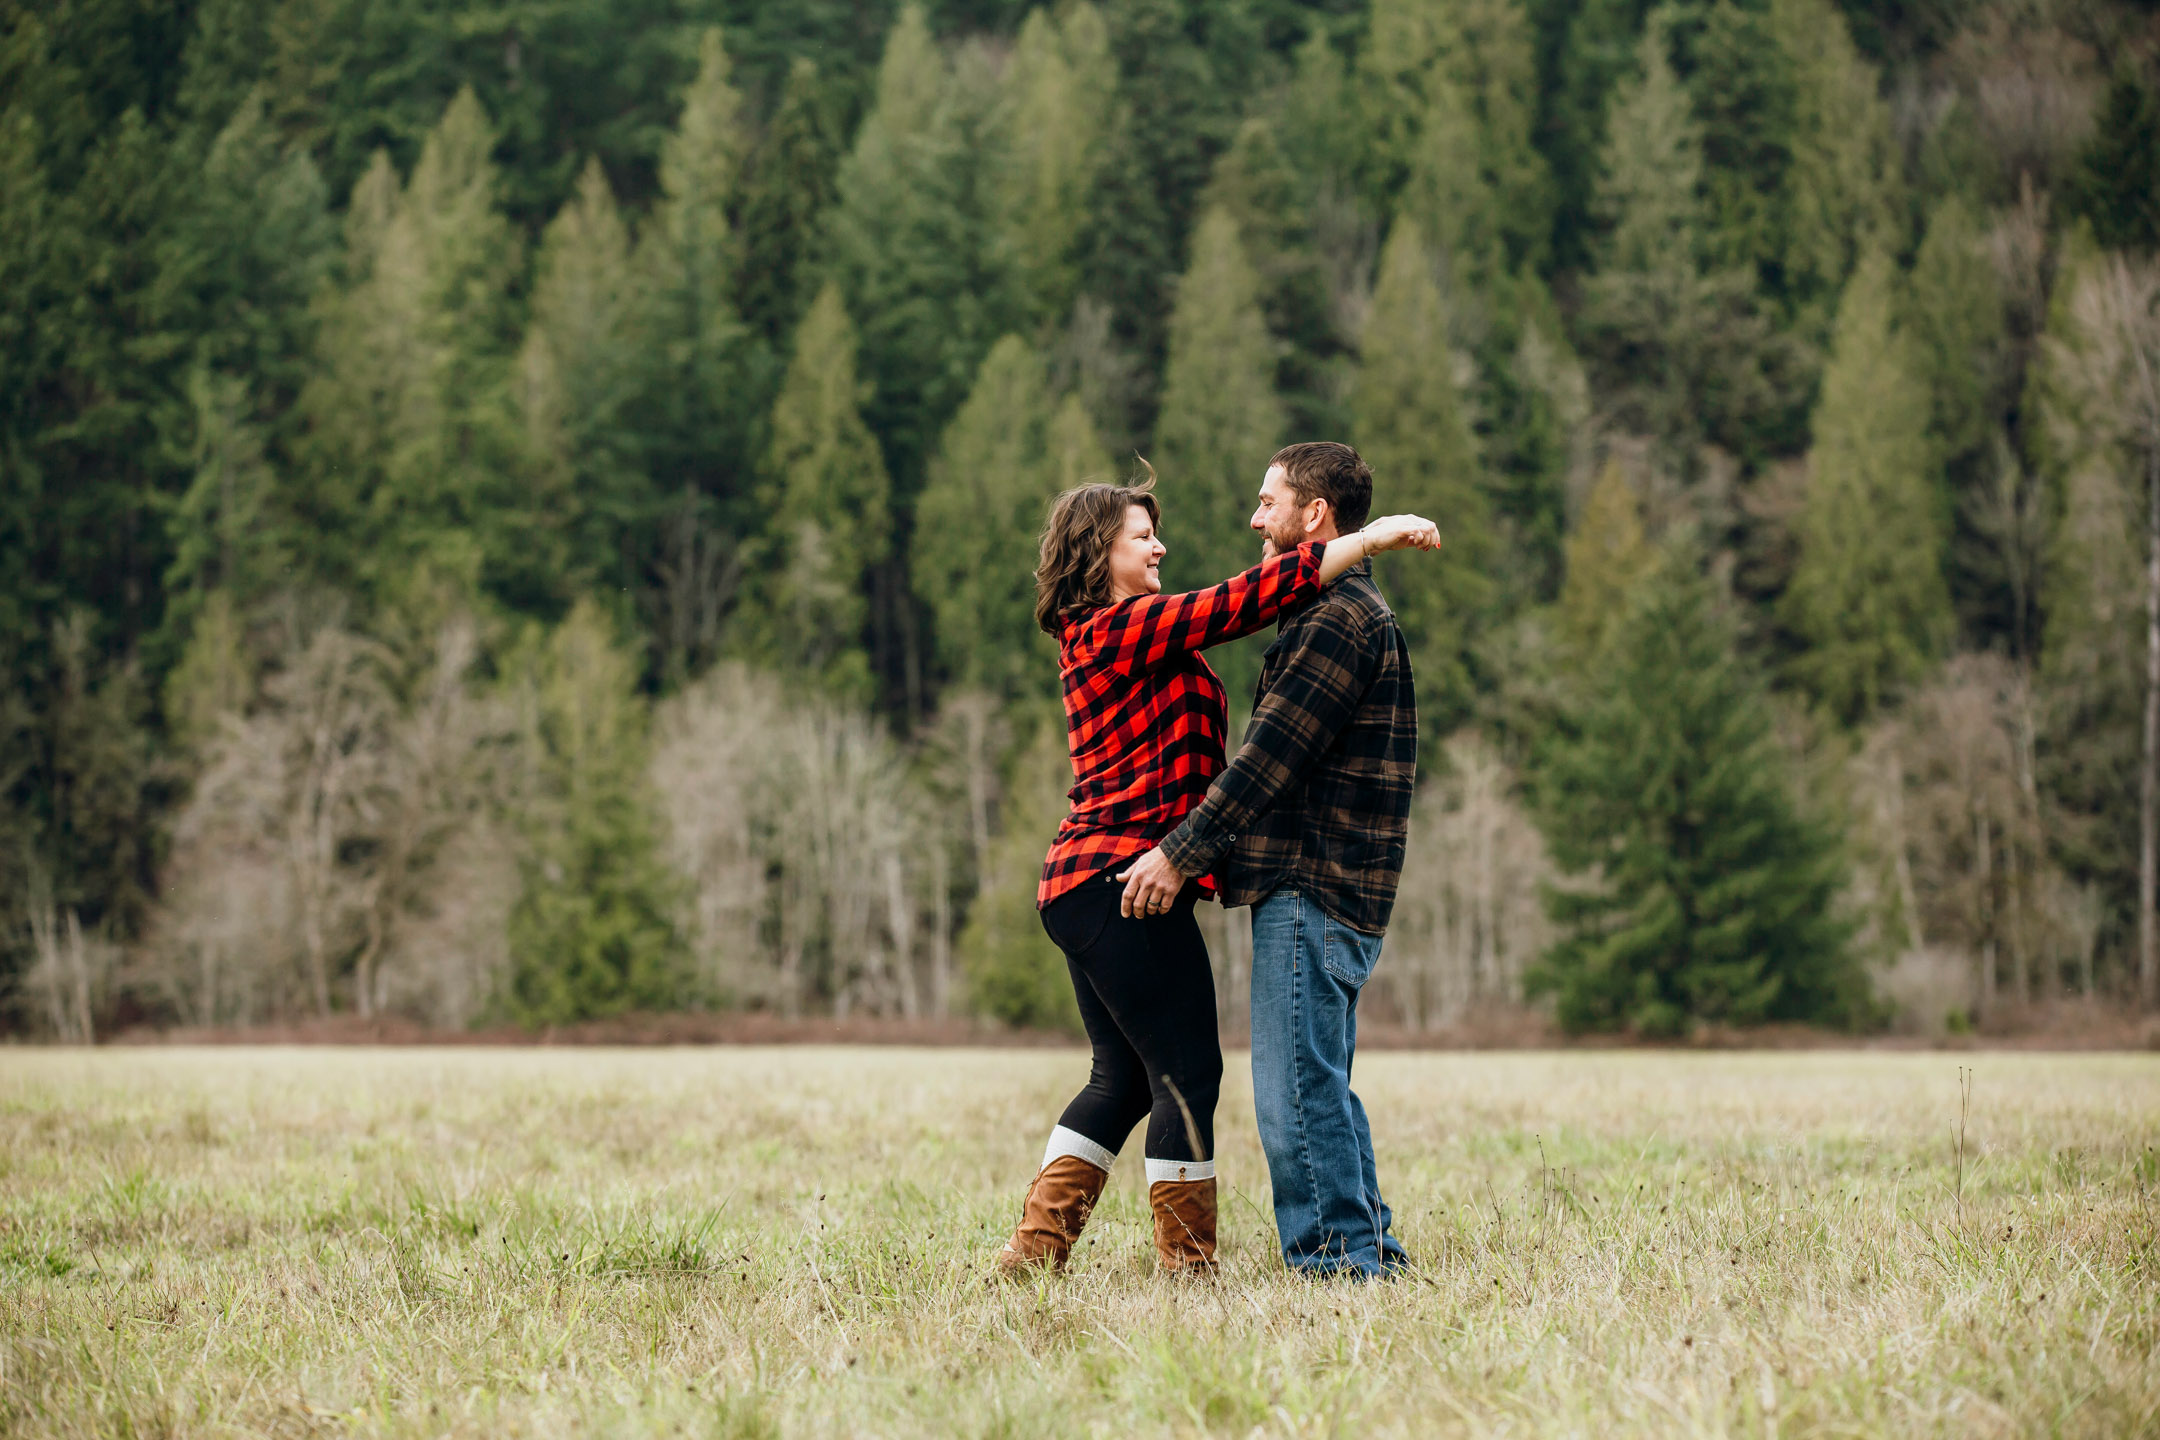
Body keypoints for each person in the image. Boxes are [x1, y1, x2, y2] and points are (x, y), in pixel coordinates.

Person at [996, 462, 1439, 1278]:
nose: (1160, 544)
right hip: (1116, 879)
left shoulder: (1131, 629)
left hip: (1094, 883)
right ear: (1099, 554)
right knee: (1189, 1073)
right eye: (1141, 535)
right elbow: (1240, 601)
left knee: (1124, 1079)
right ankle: (1187, 1268)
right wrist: (1367, 540)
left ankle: (1032, 1256)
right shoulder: (1112, 628)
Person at [1119, 442, 1423, 1278]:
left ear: (1314, 515)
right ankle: (1371, 1251)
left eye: (1268, 502)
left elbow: (1266, 760)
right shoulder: (1340, 611)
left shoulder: (1337, 620)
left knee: (1294, 1093)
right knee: (1322, 1080)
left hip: (1314, 880)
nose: (1254, 519)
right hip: (1335, 884)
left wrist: (1178, 855)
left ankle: (1338, 1265)